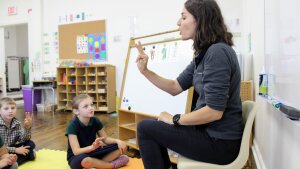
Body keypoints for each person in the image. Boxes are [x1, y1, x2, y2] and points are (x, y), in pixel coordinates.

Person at [135, 0, 243, 169]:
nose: (178, 23)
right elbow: (174, 87)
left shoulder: (217, 52)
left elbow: (214, 112)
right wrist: (145, 71)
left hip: (220, 143)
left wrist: (175, 119)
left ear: (200, 19)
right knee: (153, 127)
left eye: (183, 17)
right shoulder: (204, 54)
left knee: (145, 128)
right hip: (207, 134)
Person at [65, 94, 129, 169]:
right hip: (78, 157)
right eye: (86, 106)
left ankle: (97, 164)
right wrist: (92, 147)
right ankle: (111, 165)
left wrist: (118, 141)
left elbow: (105, 139)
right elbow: (76, 151)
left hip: (93, 152)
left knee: (121, 147)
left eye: (91, 105)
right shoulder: (72, 126)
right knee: (86, 161)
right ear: (76, 111)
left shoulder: (95, 120)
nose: (91, 108)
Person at [0, 97, 36, 165]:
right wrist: (16, 150)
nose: (10, 111)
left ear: (16, 109)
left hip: (11, 148)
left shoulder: (16, 123)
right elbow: (1, 149)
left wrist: (27, 128)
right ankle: (28, 155)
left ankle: (13, 160)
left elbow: (24, 139)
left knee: (30, 143)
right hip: (1, 151)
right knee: (10, 159)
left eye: (13, 108)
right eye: (6, 108)